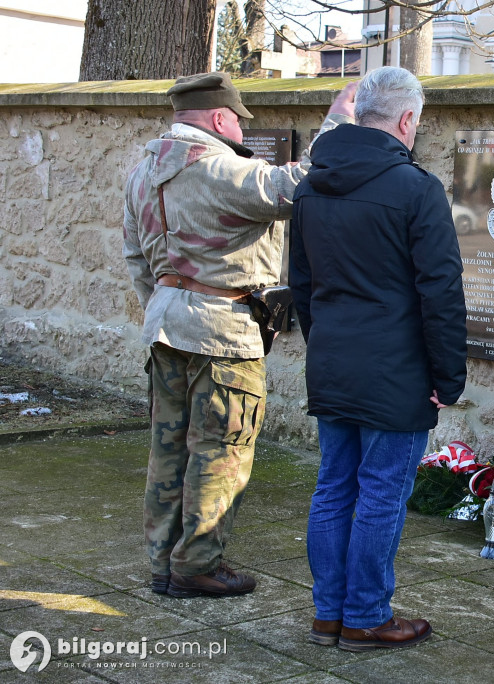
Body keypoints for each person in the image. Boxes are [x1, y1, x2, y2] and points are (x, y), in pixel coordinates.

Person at [123, 72, 357, 599]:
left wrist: (164, 306)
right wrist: (339, 119)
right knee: (221, 449)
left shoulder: (142, 173)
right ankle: (198, 565)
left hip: (165, 325)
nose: (238, 131)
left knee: (169, 448)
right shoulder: (221, 169)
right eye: (236, 121)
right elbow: (305, 182)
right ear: (220, 118)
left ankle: (164, 562)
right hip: (223, 334)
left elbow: (136, 257)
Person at [290, 66, 467, 651]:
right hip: (396, 368)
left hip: (335, 359)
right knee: (381, 492)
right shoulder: (415, 189)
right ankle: (365, 615)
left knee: (335, 485)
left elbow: (302, 284)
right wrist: (448, 375)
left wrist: (326, 346)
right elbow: (439, 291)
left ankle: (328, 615)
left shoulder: (313, 183)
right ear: (407, 119)